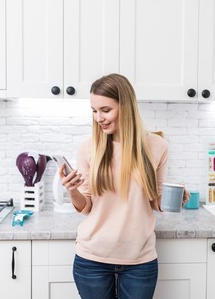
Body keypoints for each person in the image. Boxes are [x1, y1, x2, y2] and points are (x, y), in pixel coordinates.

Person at [59, 73, 190, 299]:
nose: (98, 117)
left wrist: (175, 198)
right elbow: (86, 206)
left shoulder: (157, 146)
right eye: (94, 110)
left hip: (139, 260)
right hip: (92, 258)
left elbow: (154, 200)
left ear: (126, 106)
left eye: (105, 110)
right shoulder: (89, 148)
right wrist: (72, 191)